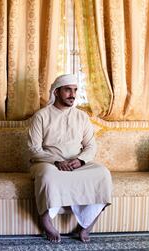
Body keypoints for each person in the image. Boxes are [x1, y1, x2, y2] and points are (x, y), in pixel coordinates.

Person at [28, 74, 112, 243]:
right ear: (57, 92)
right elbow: (33, 149)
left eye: (75, 90)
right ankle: (46, 221)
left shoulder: (81, 116)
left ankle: (86, 226)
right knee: (48, 176)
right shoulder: (41, 116)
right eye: (68, 90)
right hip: (48, 162)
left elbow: (91, 146)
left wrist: (80, 160)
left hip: (77, 163)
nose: (72, 94)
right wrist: (56, 162)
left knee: (102, 173)